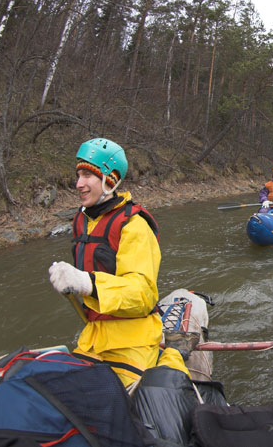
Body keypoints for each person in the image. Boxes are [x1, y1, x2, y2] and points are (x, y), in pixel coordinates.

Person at [47, 138, 191, 387]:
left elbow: (142, 294)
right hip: (93, 336)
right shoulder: (81, 221)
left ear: (108, 180)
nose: (78, 183)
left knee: (141, 402)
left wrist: (86, 282)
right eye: (78, 175)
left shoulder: (134, 225)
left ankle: (174, 353)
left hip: (133, 339)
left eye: (87, 175)